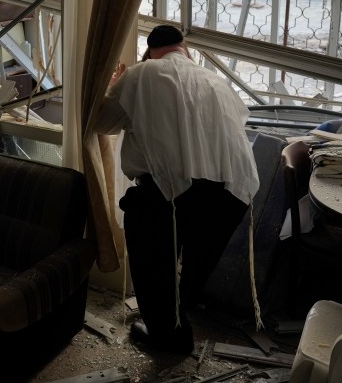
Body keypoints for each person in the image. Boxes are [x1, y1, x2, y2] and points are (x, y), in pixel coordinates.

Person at [95, 24, 260, 354]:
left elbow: (102, 123)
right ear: (186, 51)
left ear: (150, 52)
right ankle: (181, 317)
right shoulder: (217, 82)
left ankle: (168, 338)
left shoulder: (140, 75)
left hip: (174, 192)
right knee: (197, 263)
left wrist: (115, 85)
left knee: (151, 261)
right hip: (236, 190)